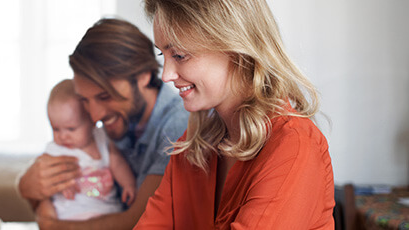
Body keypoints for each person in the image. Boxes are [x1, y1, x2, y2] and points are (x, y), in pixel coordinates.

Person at [135, 0, 335, 229]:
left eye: (179, 56)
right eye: (163, 55)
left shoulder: (294, 146)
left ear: (236, 48)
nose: (167, 75)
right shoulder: (193, 149)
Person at [17, 18, 189, 229]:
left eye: (105, 96)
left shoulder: (178, 127)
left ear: (143, 76)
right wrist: (29, 188)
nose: (95, 116)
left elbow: (137, 221)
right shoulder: (111, 125)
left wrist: (56, 226)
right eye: (85, 100)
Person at [43, 79, 136, 221]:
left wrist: (128, 184)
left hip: (108, 210)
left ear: (92, 120)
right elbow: (46, 177)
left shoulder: (102, 138)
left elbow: (117, 163)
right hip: (72, 214)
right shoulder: (55, 150)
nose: (62, 136)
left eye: (71, 129)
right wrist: (60, 185)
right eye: (55, 129)